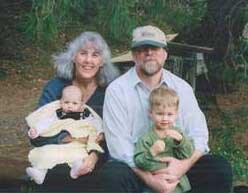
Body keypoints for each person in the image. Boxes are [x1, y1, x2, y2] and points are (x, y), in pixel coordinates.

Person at [102, 25, 232, 193]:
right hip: (137, 166)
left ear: (165, 54)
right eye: (143, 49)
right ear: (134, 55)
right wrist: (151, 179)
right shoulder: (117, 90)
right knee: (113, 175)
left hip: (176, 164)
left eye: (155, 48)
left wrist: (182, 167)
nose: (149, 53)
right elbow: (119, 148)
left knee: (218, 168)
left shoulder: (182, 88)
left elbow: (199, 135)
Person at [27, 31, 119, 192]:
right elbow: (37, 134)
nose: (88, 60)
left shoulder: (109, 92)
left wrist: (94, 154)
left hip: (96, 160)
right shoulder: (55, 87)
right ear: (73, 57)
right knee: (58, 175)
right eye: (83, 53)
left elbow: (115, 135)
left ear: (102, 61)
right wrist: (69, 138)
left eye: (95, 55)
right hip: (57, 159)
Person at [26, 85, 104, 184]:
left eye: (74, 103)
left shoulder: (85, 113)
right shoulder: (58, 113)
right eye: (66, 102)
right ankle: (40, 172)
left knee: (80, 154)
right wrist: (36, 130)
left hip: (77, 144)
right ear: (61, 102)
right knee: (47, 153)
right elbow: (46, 122)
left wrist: (100, 132)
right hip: (60, 145)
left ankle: (77, 168)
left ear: (81, 104)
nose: (70, 106)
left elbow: (95, 122)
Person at [134, 85, 194, 193]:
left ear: (176, 115)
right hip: (154, 187)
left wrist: (181, 141)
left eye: (169, 114)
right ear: (150, 113)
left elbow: (187, 154)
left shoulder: (178, 134)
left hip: (179, 186)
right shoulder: (146, 138)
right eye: (160, 114)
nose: (165, 118)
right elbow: (139, 162)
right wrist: (151, 152)